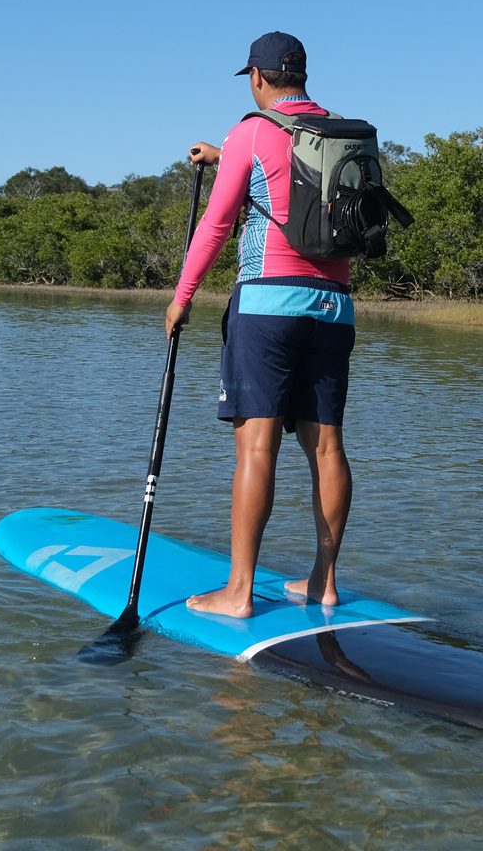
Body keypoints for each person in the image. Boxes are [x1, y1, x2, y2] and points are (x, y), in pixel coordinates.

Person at [165, 31, 356, 619]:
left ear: (257, 78)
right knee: (325, 446)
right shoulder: (340, 133)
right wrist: (225, 159)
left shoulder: (251, 129)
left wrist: (182, 297)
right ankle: (323, 582)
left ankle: (239, 592)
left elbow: (217, 225)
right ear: (301, 75)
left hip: (267, 304)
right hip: (334, 307)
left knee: (256, 444)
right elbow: (293, 181)